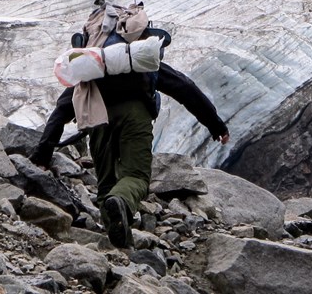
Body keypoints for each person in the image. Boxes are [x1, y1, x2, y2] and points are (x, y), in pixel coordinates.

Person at [31, 62, 230, 248]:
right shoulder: (139, 59)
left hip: (96, 117)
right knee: (136, 177)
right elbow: (184, 87)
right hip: (134, 115)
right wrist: (215, 125)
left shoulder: (93, 64)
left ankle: (120, 245)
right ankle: (121, 203)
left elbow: (63, 108)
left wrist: (42, 155)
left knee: (105, 185)